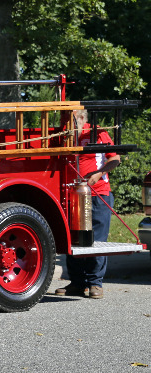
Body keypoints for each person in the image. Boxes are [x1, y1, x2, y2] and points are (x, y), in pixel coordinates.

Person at [56, 109, 121, 299]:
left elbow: (115, 158)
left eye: (72, 119)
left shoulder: (96, 132)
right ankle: (77, 282)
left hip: (98, 193)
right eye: (65, 120)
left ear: (82, 119)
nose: (67, 124)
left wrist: (98, 174)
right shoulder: (64, 137)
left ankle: (95, 283)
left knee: (96, 239)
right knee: (74, 238)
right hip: (72, 195)